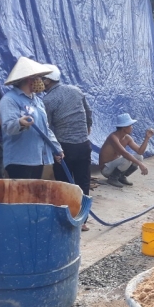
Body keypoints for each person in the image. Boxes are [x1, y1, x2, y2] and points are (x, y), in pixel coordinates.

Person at [41, 64, 93, 231]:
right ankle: (83, 220)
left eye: (42, 79)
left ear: (48, 81)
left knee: (64, 185)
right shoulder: (76, 90)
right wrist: (86, 129)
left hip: (64, 148)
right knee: (83, 183)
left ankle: (68, 220)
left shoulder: (48, 100)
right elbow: (88, 112)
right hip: (84, 145)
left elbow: (46, 127)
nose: (40, 83)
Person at [0, 57, 63, 179]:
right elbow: (8, 127)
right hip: (19, 161)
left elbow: (45, 128)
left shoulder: (37, 101)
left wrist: (56, 148)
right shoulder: (9, 100)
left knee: (33, 196)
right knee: (22, 197)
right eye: (38, 78)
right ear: (30, 80)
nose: (41, 81)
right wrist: (20, 123)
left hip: (37, 159)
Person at [99, 113, 153, 187]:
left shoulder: (127, 138)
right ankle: (113, 178)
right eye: (130, 126)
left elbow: (140, 151)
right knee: (126, 159)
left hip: (115, 166)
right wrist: (140, 165)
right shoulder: (113, 137)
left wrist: (147, 138)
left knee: (139, 157)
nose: (132, 127)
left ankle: (121, 176)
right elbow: (124, 154)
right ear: (124, 128)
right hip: (106, 169)